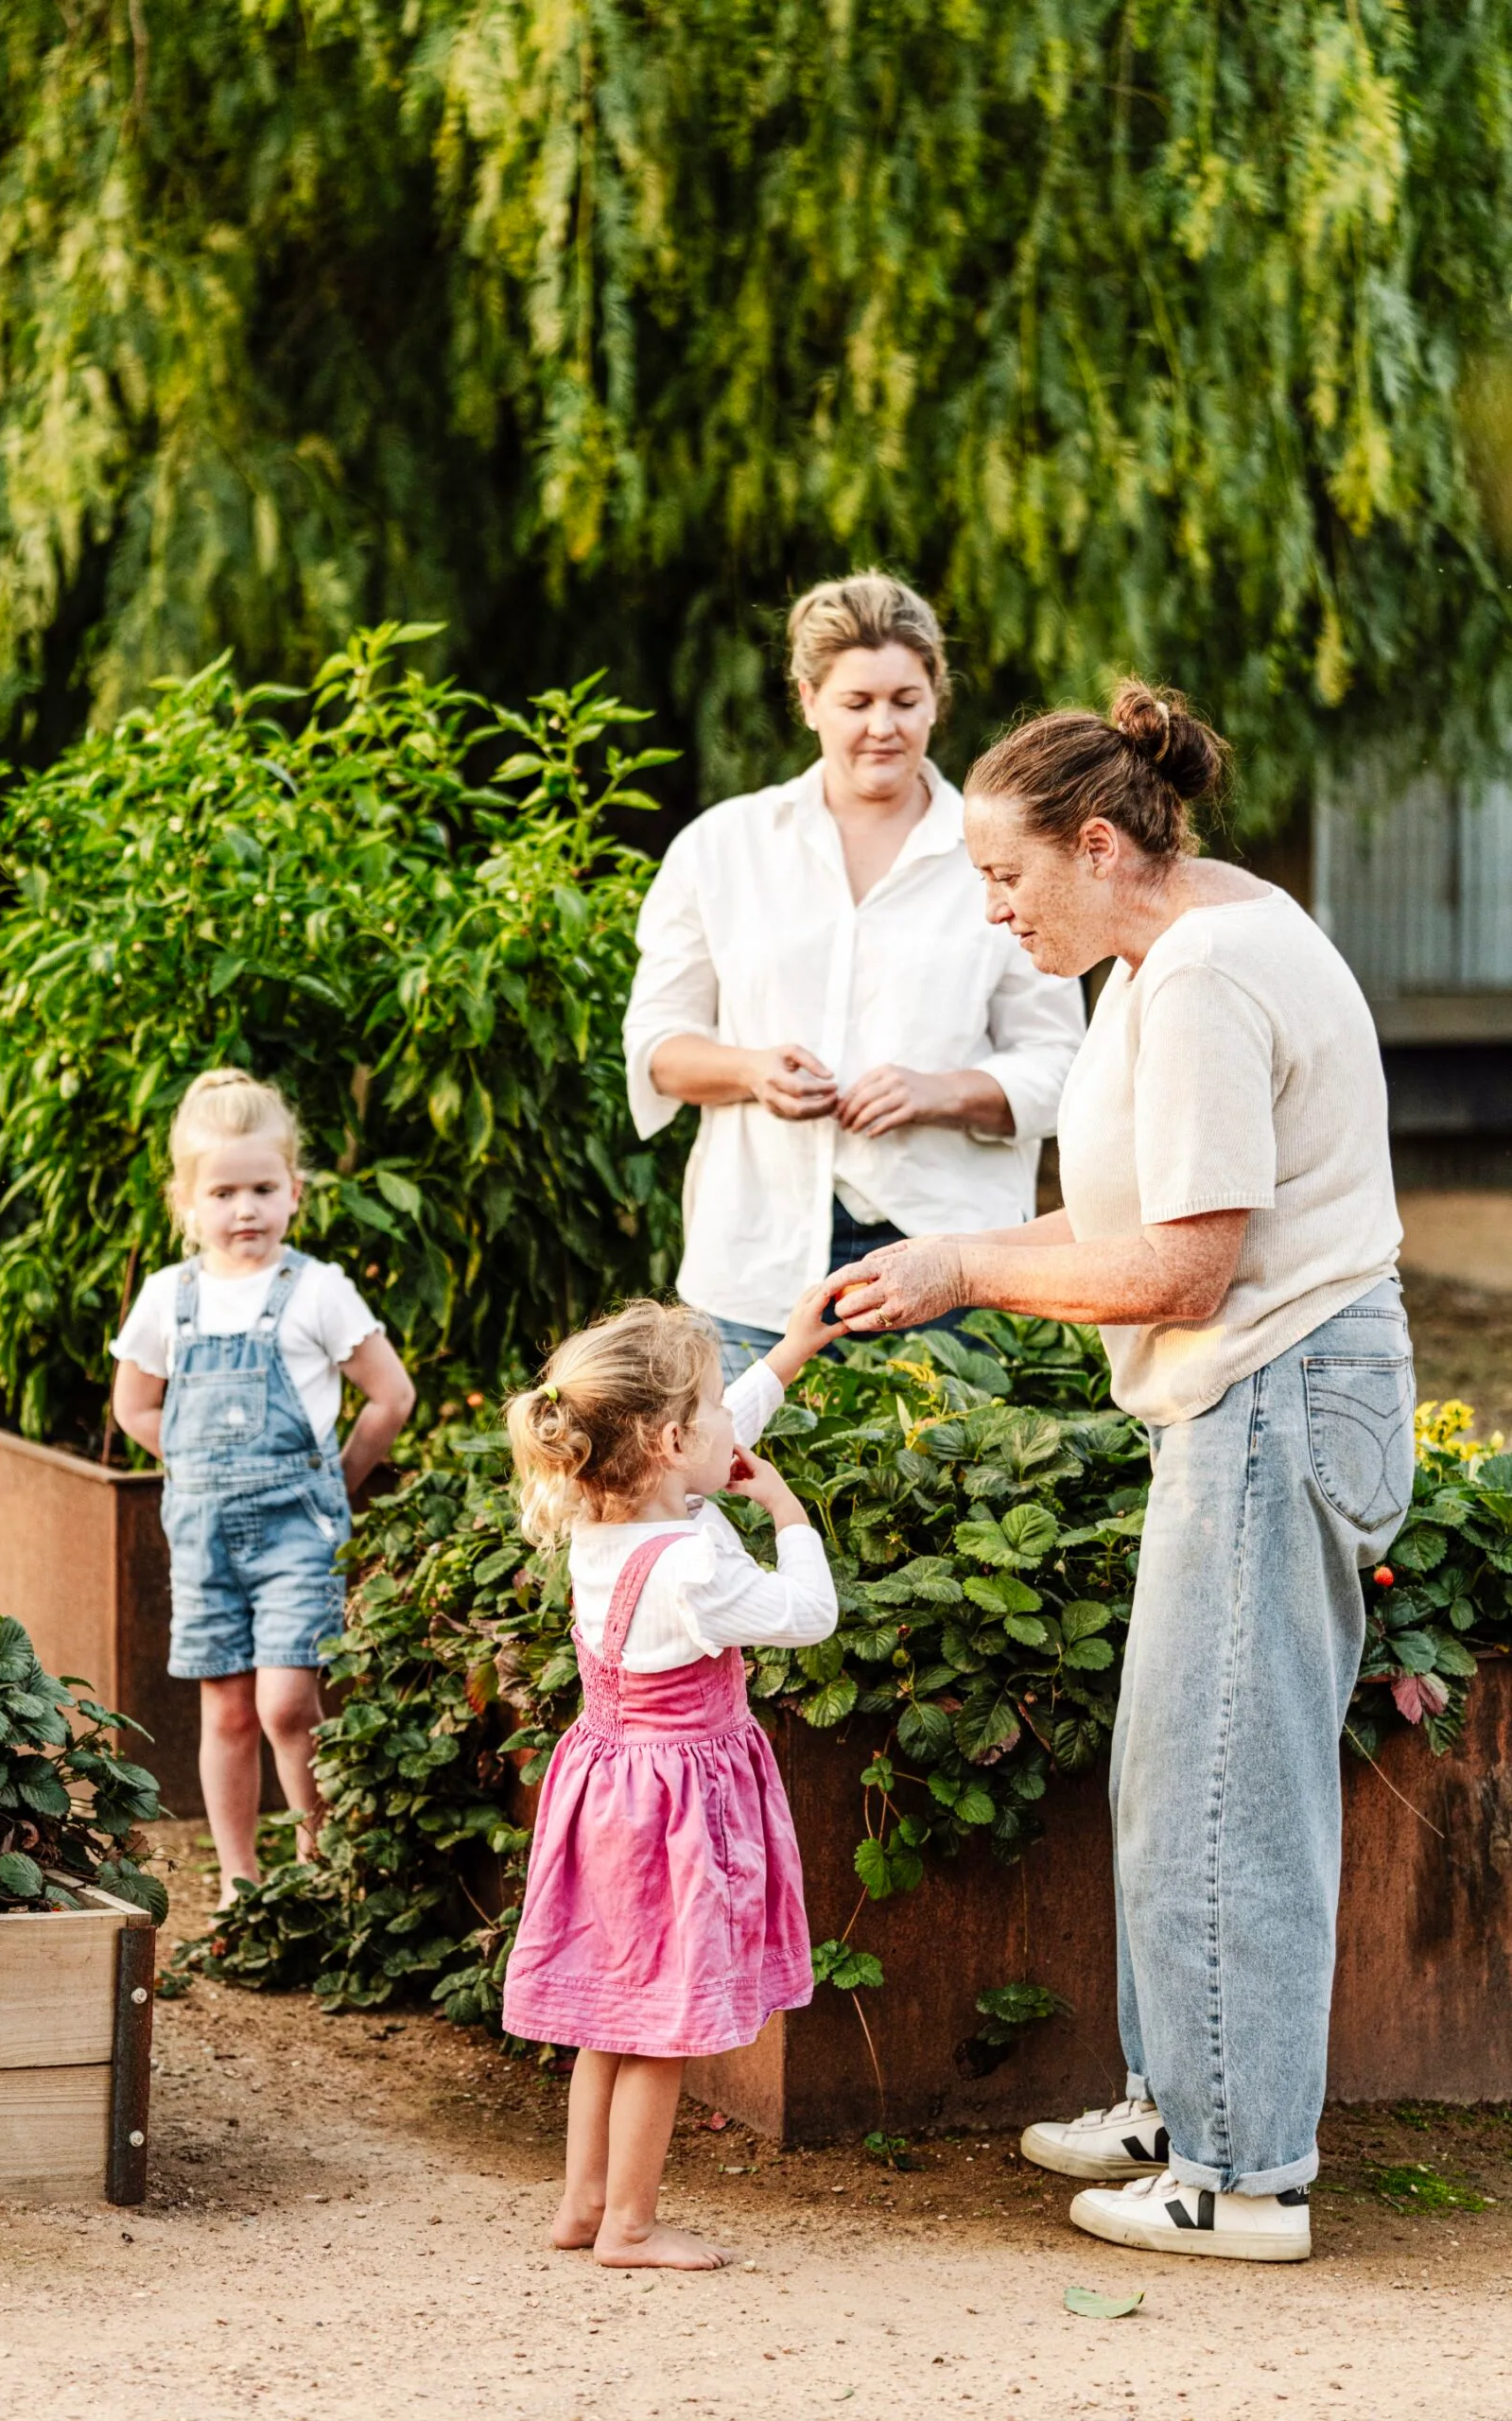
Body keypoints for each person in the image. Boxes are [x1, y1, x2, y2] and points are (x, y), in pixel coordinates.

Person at [825, 682, 1412, 2263]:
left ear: (1098, 843)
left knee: (1226, 1790)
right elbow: (1123, 1233)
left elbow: (1182, 1271)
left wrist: (967, 1276)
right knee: (1173, 1772)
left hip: (1270, 1390)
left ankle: (1239, 2178)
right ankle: (1177, 2104)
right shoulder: (1178, 939)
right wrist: (933, 1255)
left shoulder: (1209, 971)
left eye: (1005, 877)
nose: (991, 908)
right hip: (1249, 1398)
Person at [623, 570, 1083, 1377]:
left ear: (937, 696)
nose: (882, 727)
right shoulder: (721, 847)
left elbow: (1061, 1066)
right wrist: (750, 1070)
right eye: (855, 703)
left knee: (949, 1491)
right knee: (741, 1484)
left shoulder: (1006, 857)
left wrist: (939, 1091)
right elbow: (656, 1046)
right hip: (756, 1267)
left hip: (952, 1260)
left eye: (904, 701)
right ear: (807, 700)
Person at [501, 1290, 839, 2269]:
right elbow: (808, 1612)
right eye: (715, 1414)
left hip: (605, 1789)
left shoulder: (604, 1519)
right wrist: (787, 1511)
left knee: (610, 2014)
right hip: (677, 1806)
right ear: (670, 1440)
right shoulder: (696, 1559)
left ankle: (580, 2204)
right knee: (659, 2028)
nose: (736, 1429)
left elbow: (714, 1431)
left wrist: (791, 1352)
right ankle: (632, 2226)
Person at [111, 1070, 416, 1906]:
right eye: (223, 1192)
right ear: (186, 1202)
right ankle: (242, 1880)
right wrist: (194, 1463)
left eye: (262, 1188)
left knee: (286, 1703)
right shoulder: (168, 1299)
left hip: (296, 1530)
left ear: (294, 1193)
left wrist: (337, 1479)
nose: (243, 1209)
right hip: (204, 1536)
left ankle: (321, 1869)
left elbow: (391, 1396)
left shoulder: (315, 1291)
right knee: (229, 1711)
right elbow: (136, 1404)